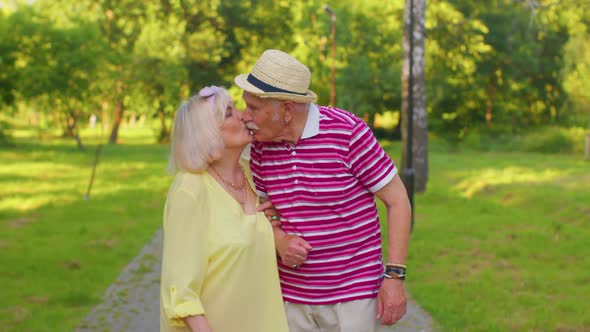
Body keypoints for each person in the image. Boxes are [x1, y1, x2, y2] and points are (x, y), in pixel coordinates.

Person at [234, 49, 413, 332]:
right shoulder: (258, 148)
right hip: (291, 298)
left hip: (353, 297)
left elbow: (398, 201)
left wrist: (394, 276)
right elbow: (265, 213)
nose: (245, 116)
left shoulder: (348, 133)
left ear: (287, 110)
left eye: (253, 108)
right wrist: (280, 241)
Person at [159, 86, 289, 332]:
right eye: (229, 113)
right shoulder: (190, 189)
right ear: (206, 133)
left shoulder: (252, 174)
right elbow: (181, 291)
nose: (243, 115)